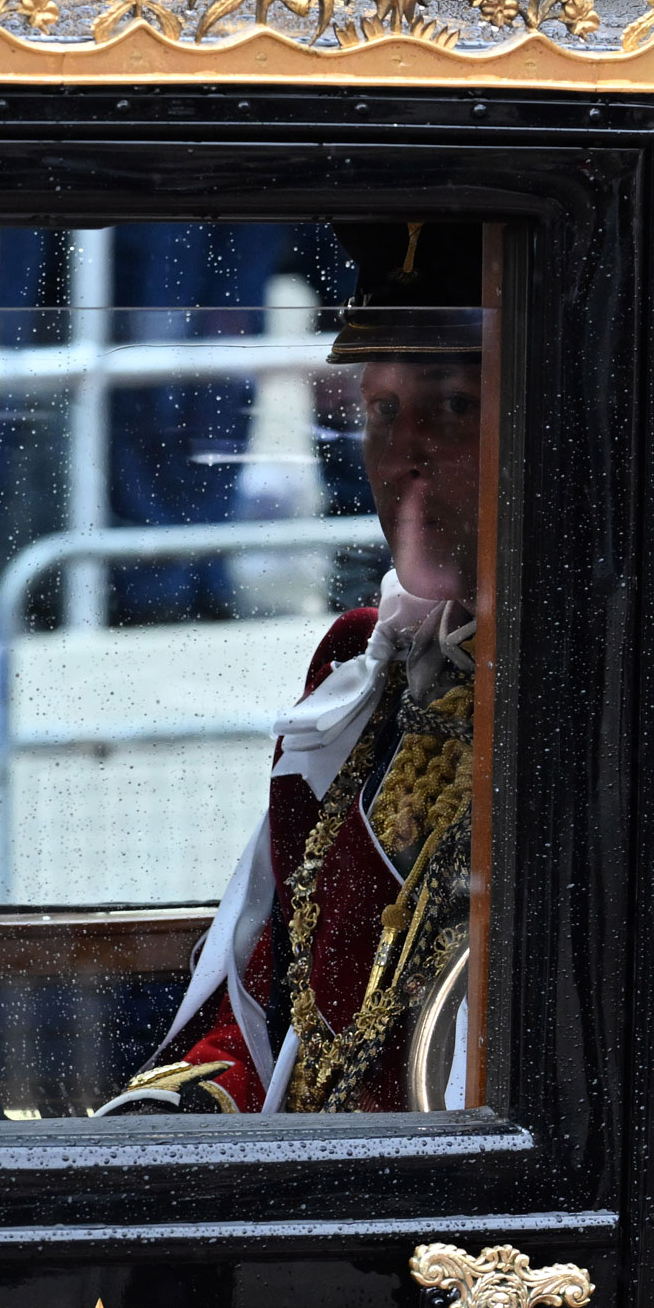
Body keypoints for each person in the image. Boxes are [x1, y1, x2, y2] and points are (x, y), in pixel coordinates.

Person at [101, 221, 482, 1115]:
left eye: (454, 407)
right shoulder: (363, 663)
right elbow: (276, 999)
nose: (407, 454)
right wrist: (173, 1122)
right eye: (384, 412)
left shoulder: (606, 703)